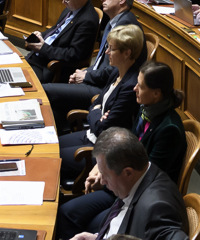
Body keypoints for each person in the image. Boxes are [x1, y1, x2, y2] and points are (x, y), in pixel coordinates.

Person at [57, 60, 188, 237]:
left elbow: (145, 171)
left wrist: (107, 177)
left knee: (73, 217)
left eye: (140, 86)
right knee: (70, 214)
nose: (134, 88)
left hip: (133, 191)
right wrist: (100, 169)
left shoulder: (169, 129)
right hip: (123, 182)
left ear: (156, 93)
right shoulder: (146, 109)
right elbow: (128, 147)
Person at [58, 23, 146, 182]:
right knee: (49, 145)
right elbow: (95, 104)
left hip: (103, 150)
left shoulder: (130, 86)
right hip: (90, 135)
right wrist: (98, 114)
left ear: (127, 53)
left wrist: (97, 115)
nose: (106, 52)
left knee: (51, 157)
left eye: (112, 49)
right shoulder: (116, 71)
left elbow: (103, 128)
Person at [69, 127, 188, 239]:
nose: (102, 181)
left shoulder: (157, 208)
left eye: (105, 175)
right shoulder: (139, 177)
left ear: (128, 173)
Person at [22, 0, 101, 82]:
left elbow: (74, 54)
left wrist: (43, 48)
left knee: (21, 80)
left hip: (51, 66)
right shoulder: (72, 7)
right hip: (40, 57)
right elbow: (56, 30)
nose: (63, 2)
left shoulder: (88, 21)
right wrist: (40, 35)